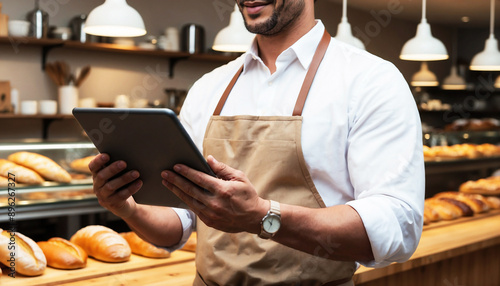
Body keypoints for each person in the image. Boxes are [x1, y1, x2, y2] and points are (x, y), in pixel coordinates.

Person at [89, 0, 425, 285]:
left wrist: (262, 216)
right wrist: (127, 208)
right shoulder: (209, 87)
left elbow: (397, 225)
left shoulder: (370, 81)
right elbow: (180, 222)